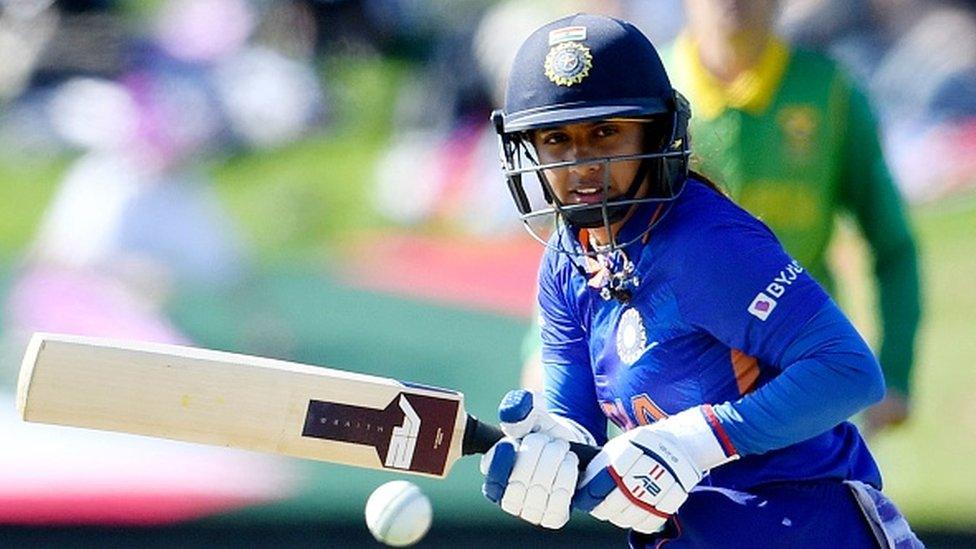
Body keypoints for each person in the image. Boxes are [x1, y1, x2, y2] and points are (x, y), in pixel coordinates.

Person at [478, 13, 922, 547]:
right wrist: (550, 453)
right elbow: (576, 420)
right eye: (555, 139)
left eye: (604, 132)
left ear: (656, 130)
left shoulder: (704, 242)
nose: (581, 164)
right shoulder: (565, 263)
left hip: (812, 529)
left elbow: (849, 372)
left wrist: (699, 440)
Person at [664, 0, 922, 436]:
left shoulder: (829, 92)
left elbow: (892, 246)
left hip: (805, 383)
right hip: (676, 388)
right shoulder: (649, 91)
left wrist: (895, 370)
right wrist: (545, 352)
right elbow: (590, 243)